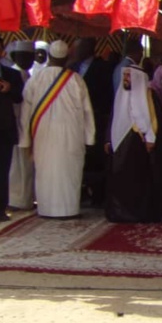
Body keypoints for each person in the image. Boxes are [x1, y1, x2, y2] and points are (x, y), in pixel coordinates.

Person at [19, 41, 94, 219]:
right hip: (71, 135)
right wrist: (89, 138)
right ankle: (69, 210)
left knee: (46, 171)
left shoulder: (35, 79)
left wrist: (25, 140)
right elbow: (87, 111)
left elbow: (25, 111)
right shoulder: (76, 79)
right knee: (69, 172)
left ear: (49, 57)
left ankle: (46, 209)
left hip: (42, 134)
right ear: (67, 57)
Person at [104, 65, 162, 222]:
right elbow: (114, 117)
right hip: (122, 141)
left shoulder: (149, 95)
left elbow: (150, 116)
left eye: (129, 76)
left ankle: (135, 213)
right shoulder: (121, 94)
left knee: (137, 181)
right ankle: (120, 212)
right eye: (125, 75)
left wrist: (150, 137)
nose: (126, 79)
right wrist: (108, 139)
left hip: (138, 141)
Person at [69, 37, 114, 208]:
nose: (76, 51)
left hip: (96, 118)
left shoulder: (103, 67)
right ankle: (79, 192)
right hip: (74, 121)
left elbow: (107, 94)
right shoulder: (72, 68)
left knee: (95, 159)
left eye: (79, 48)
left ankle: (97, 194)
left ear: (89, 48)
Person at [0, 35, 25, 221]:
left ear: (3, 53)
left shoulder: (11, 74)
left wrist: (8, 88)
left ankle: (0, 208)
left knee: (2, 171)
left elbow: (19, 97)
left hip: (4, 129)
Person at [8, 41, 36, 211]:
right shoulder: (12, 75)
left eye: (30, 56)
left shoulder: (28, 75)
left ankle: (26, 198)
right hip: (15, 123)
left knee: (26, 164)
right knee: (16, 164)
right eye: (23, 56)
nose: (27, 60)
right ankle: (15, 200)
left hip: (27, 125)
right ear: (15, 57)